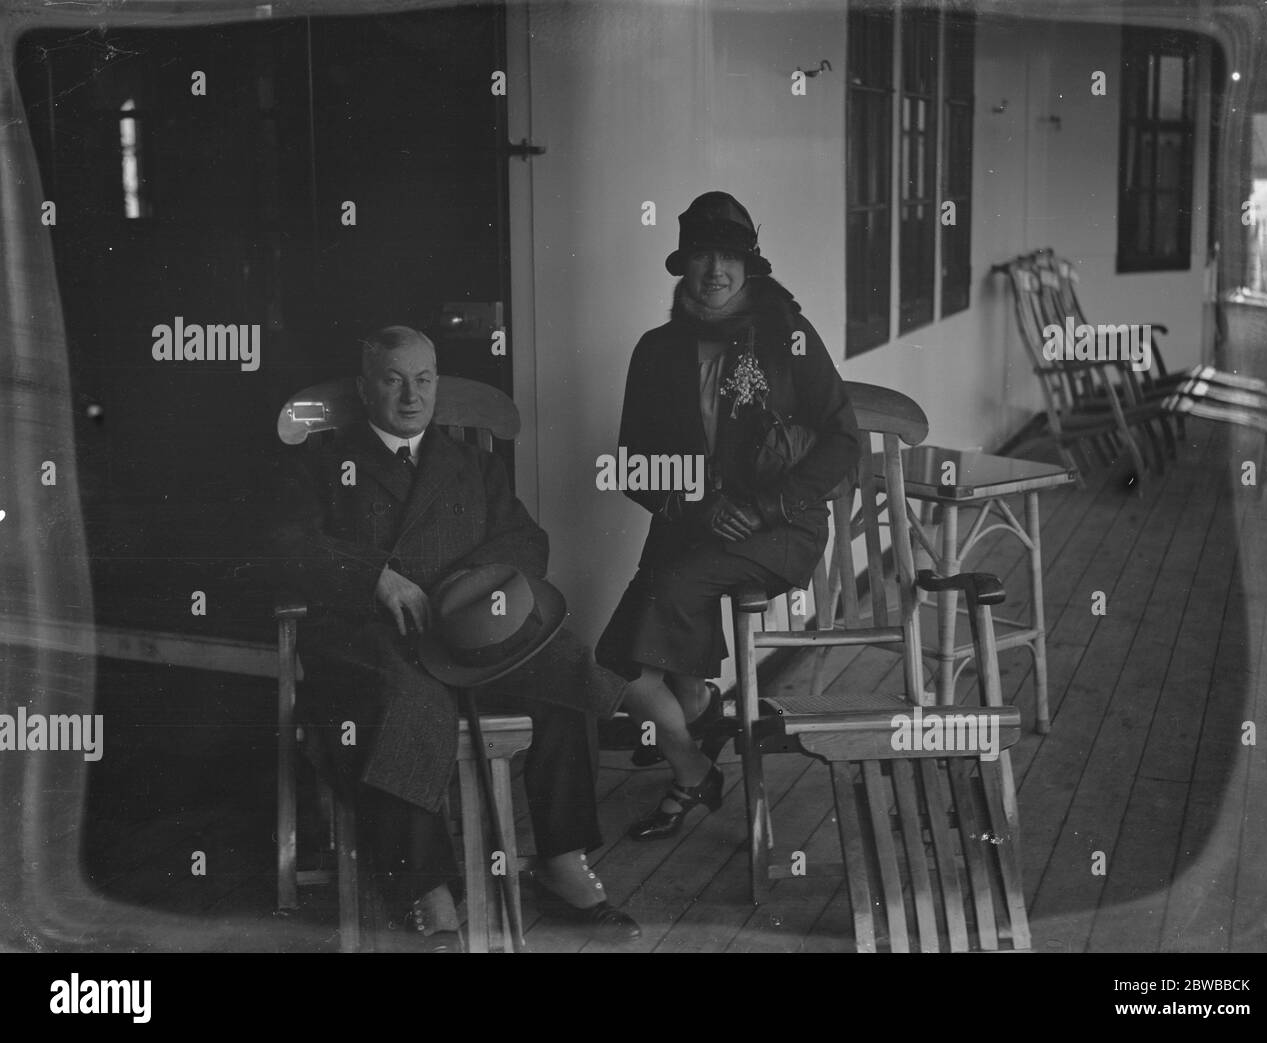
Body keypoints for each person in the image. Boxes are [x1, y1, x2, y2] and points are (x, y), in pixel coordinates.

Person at [269, 325, 640, 950]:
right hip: (372, 634)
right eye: (393, 379)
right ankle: (428, 890)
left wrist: (472, 586)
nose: (411, 396)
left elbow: (528, 543)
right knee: (410, 703)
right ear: (366, 389)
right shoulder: (326, 464)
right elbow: (286, 547)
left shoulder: (472, 463)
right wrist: (375, 578)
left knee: (569, 671)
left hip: (467, 633)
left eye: (424, 379)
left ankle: (562, 858)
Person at [598, 191, 861, 841]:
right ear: (682, 265)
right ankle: (697, 739)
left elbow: (843, 441)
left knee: (662, 598)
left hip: (784, 527)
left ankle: (693, 763)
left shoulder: (787, 335)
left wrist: (766, 504)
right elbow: (635, 463)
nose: (714, 269)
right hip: (693, 525)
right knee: (611, 666)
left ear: (750, 267)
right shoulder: (658, 351)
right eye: (699, 256)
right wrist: (698, 501)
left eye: (728, 256)